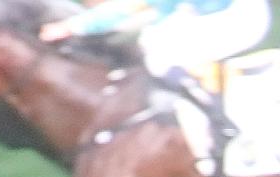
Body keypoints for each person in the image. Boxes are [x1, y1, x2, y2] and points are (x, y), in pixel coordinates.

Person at [39, 0, 272, 140]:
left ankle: (218, 123)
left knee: (160, 55)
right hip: (204, 8)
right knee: (151, 38)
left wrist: (72, 26)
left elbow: (133, 7)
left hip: (239, 16)